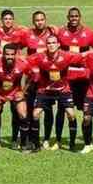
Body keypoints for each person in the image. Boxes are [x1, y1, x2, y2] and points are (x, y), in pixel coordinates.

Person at [28, 34, 84, 151]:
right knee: (35, 114)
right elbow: (24, 60)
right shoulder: (39, 57)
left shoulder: (67, 56)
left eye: (54, 43)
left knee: (71, 114)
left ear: (58, 45)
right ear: (46, 45)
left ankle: (72, 144)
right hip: (45, 90)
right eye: (49, 43)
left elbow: (83, 57)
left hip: (63, 90)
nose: (51, 45)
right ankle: (36, 144)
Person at [0, 9, 27, 149]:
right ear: (2, 20)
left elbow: (34, 36)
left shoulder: (20, 32)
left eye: (10, 19)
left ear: (13, 20)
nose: (8, 21)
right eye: (5, 19)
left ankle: (16, 139)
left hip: (15, 76)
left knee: (18, 111)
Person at [56, 7, 93, 151]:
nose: (74, 18)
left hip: (84, 79)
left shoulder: (89, 33)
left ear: (80, 17)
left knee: (87, 111)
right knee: (62, 110)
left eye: (76, 16)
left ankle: (88, 142)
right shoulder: (61, 32)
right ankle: (59, 141)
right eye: (71, 16)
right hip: (67, 79)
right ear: (68, 17)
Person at [0, 44, 32, 152]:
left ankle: (24, 144)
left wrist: (23, 92)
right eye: (7, 54)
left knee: (23, 114)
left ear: (16, 55)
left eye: (12, 55)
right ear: (3, 54)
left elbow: (31, 76)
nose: (9, 57)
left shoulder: (22, 64)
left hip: (15, 93)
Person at [22, 11, 56, 149]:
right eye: (37, 20)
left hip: (48, 80)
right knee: (30, 109)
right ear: (33, 21)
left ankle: (46, 138)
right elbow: (16, 48)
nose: (39, 22)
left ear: (45, 20)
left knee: (47, 110)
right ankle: (31, 137)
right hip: (31, 79)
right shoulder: (27, 35)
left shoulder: (52, 33)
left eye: (42, 19)